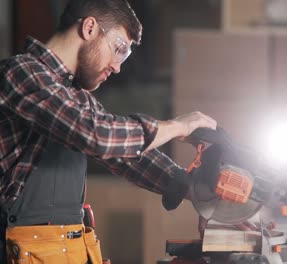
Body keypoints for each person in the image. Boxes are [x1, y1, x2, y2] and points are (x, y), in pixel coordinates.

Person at [0, 0, 217, 263]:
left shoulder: (78, 99)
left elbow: (125, 155)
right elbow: (97, 136)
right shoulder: (20, 73)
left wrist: (199, 191)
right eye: (118, 48)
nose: (117, 66)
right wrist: (178, 126)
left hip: (62, 253)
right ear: (90, 28)